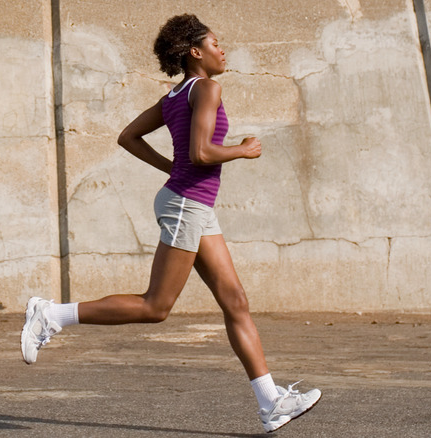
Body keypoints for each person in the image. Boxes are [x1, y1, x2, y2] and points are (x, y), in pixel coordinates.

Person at [20, 13, 321, 433]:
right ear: (196, 52)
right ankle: (51, 315)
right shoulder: (208, 88)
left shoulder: (176, 94)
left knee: (235, 301)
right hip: (187, 206)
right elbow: (201, 153)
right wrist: (242, 150)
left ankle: (271, 402)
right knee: (155, 307)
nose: (223, 50)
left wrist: (171, 169)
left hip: (191, 202)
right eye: (216, 44)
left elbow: (128, 137)